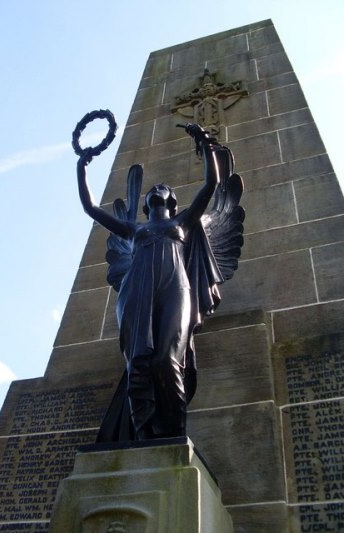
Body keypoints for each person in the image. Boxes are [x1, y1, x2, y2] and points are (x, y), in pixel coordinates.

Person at [77, 123, 237, 440]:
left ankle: (174, 438)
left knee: (166, 359)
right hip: (137, 290)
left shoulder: (184, 221)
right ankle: (142, 435)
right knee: (138, 361)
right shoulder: (134, 230)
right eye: (151, 190)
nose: (155, 189)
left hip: (176, 287)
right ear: (147, 202)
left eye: (162, 188)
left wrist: (205, 145)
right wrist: (82, 168)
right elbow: (91, 208)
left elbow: (210, 185)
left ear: (172, 201)